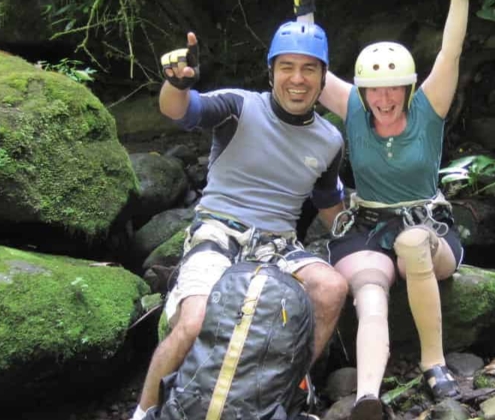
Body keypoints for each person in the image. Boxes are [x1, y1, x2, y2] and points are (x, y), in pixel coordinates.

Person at [129, 22, 349, 420]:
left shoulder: (329, 140)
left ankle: (288, 391)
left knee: (332, 288)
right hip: (218, 230)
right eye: (287, 67)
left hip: (279, 243)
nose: (297, 79)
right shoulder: (239, 106)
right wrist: (177, 84)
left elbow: (328, 200)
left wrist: (364, 236)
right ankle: (144, 410)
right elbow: (180, 111)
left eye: (309, 69)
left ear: (322, 78)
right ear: (271, 71)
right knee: (195, 322)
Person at [303, 0, 470, 418]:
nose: (383, 98)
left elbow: (450, 50)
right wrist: (303, 12)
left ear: (409, 88)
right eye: (375, 89)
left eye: (393, 87)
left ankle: (433, 364)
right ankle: (366, 397)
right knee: (370, 291)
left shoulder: (429, 108)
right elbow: (312, 67)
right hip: (368, 229)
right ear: (363, 91)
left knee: (413, 243)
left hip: (428, 230)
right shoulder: (355, 108)